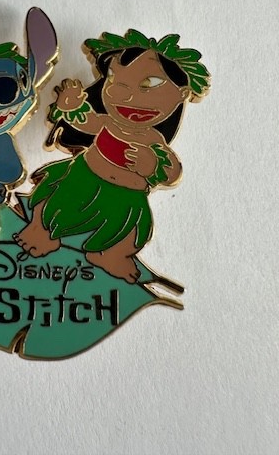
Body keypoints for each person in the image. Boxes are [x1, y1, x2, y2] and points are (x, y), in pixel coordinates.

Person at [14, 30, 210, 282]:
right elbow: (86, 121)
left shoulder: (153, 141)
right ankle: (39, 231)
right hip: (83, 178)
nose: (122, 94)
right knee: (51, 199)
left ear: (182, 93)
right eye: (115, 79)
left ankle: (110, 254)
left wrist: (151, 164)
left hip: (126, 198)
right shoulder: (107, 123)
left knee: (132, 233)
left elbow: (172, 172)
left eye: (149, 84)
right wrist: (70, 106)